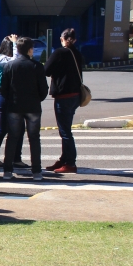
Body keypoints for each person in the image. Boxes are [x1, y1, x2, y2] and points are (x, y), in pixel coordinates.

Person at [1, 37, 49, 181]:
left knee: (12, 137)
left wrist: (11, 98)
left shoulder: (10, 65)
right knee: (34, 138)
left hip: (14, 106)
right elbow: (44, 89)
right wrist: (37, 99)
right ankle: (36, 171)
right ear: (30, 50)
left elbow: (3, 88)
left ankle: (7, 171)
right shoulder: (37, 66)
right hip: (33, 106)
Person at [45, 28, 84, 174]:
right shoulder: (77, 53)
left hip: (63, 96)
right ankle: (64, 159)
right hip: (75, 96)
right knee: (66, 129)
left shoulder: (59, 53)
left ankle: (70, 163)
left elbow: (46, 70)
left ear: (62, 39)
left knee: (65, 131)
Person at [0, 36, 27, 169]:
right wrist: (16, 44)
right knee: (3, 129)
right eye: (15, 46)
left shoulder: (11, 58)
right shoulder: (0, 58)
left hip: (15, 97)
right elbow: (14, 61)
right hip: (4, 97)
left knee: (20, 129)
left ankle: (17, 158)